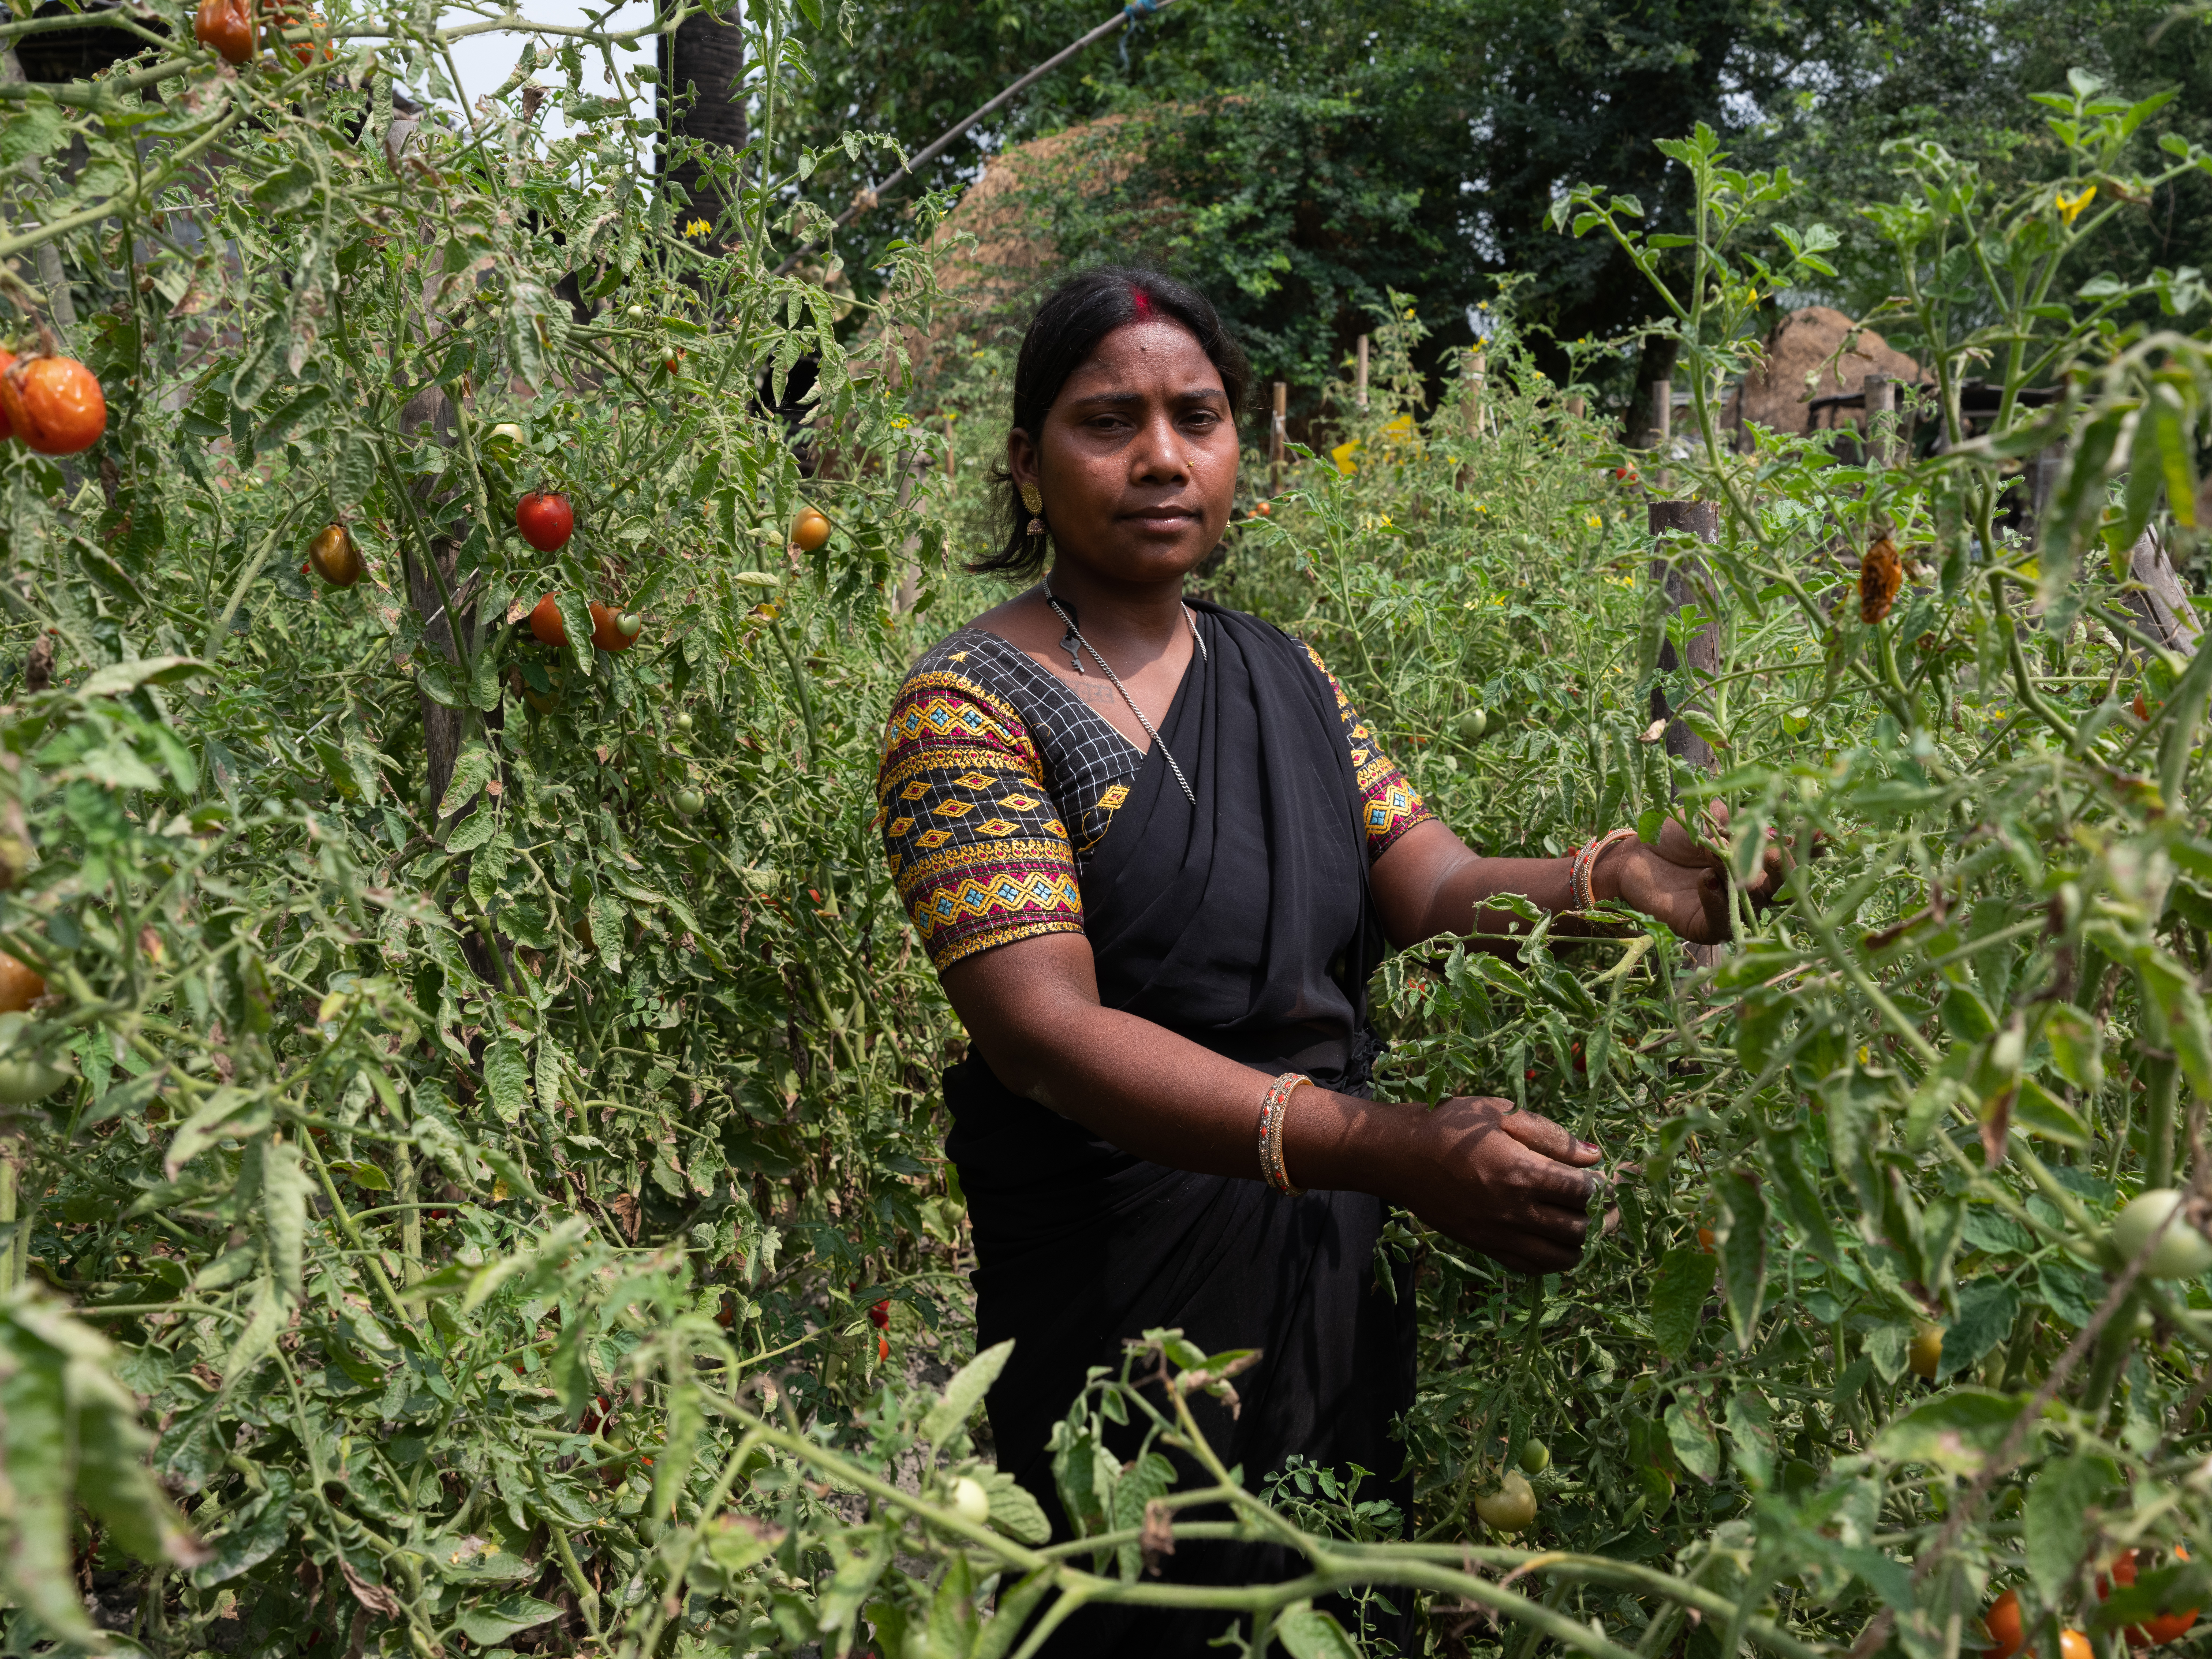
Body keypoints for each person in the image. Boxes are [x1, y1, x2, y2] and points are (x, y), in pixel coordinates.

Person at [875, 267, 1766, 1654]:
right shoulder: (973, 709)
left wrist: (1625, 883)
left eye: (1199, 415)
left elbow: (1442, 883)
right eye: (1110, 421)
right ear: (1025, 465)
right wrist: (1385, 1145)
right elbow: (1046, 1035)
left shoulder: (1286, 675)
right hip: (1130, 1310)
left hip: (1324, 1279)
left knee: (1337, 1594)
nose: (1163, 455)